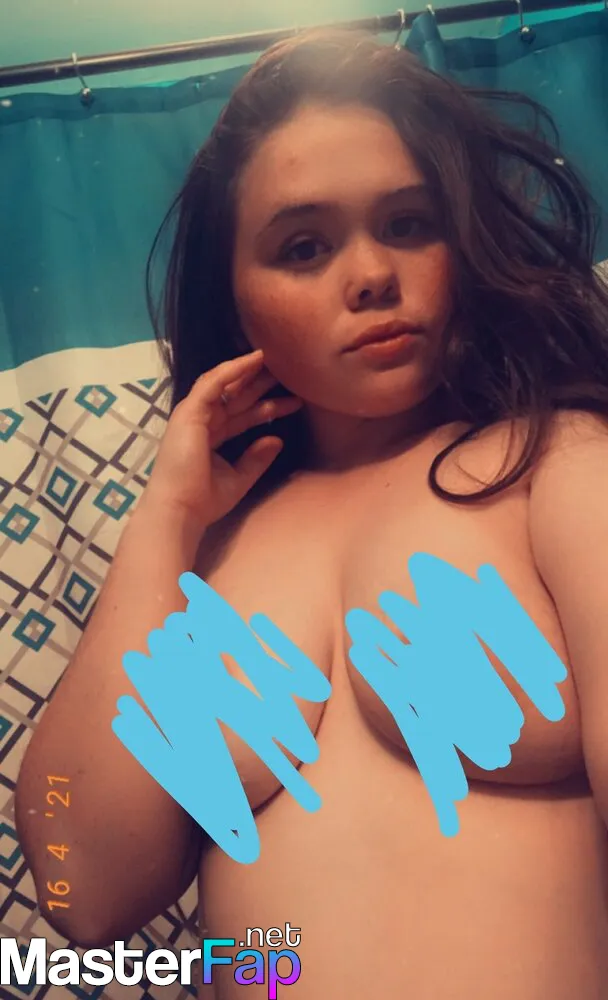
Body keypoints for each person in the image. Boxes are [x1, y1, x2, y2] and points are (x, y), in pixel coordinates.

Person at [15, 25, 608, 1000]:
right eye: (303, 246)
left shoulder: (554, 462)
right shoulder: (204, 558)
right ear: (235, 300)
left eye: (409, 223)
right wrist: (166, 515)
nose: (371, 273)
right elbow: (82, 891)